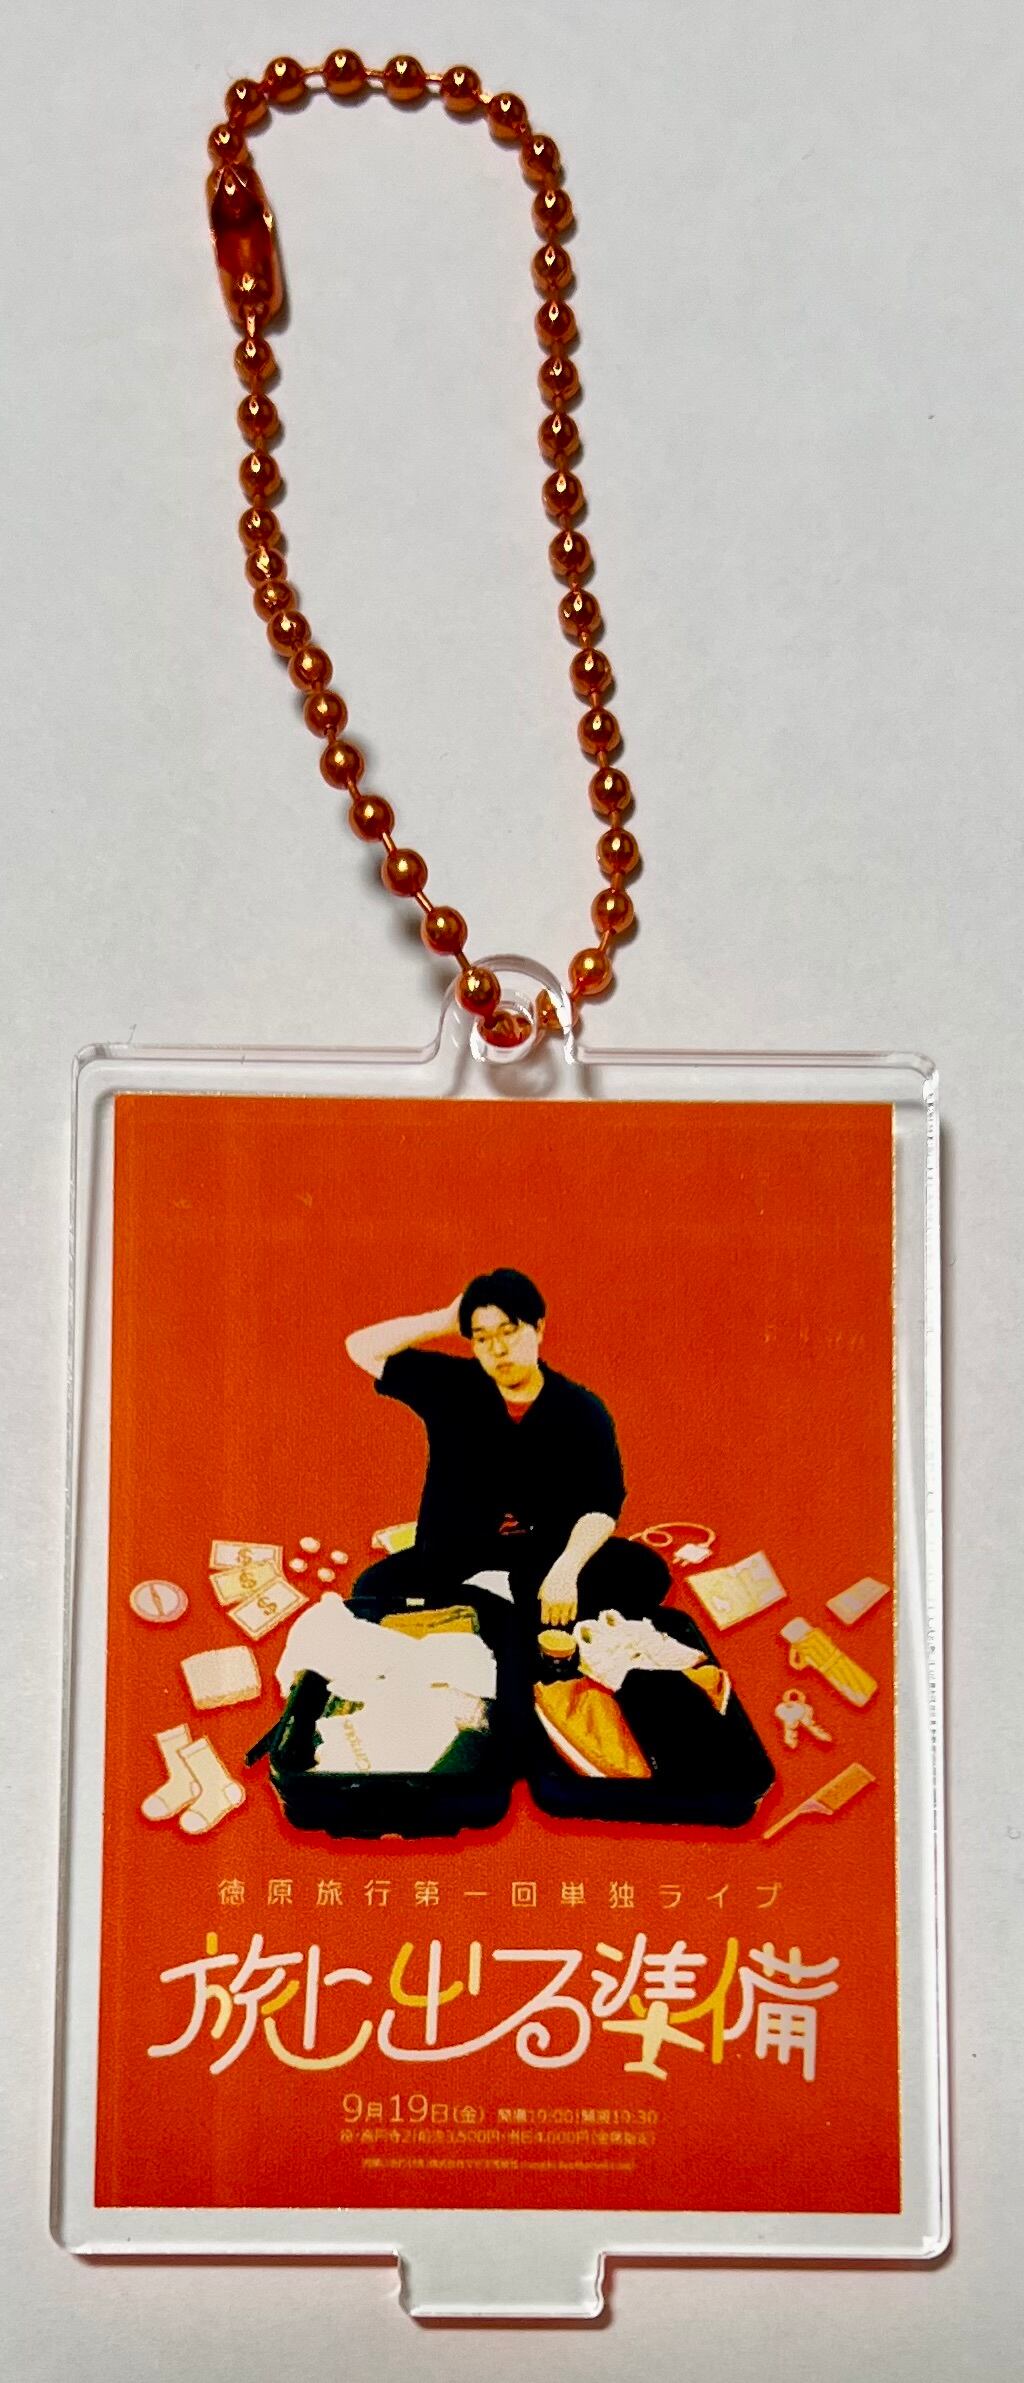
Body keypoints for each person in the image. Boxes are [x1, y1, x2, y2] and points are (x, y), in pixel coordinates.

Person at [345, 1268, 670, 1631]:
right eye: (482, 1338)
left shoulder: (581, 1410)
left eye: (509, 1331)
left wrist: (566, 1570)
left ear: (538, 1328)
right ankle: (501, 1612)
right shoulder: (451, 1385)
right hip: (453, 1556)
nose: (498, 1349)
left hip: (541, 1556)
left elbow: (603, 1503)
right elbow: (361, 1347)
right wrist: (445, 1320)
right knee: (369, 1592)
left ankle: (499, 1612)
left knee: (647, 1572)